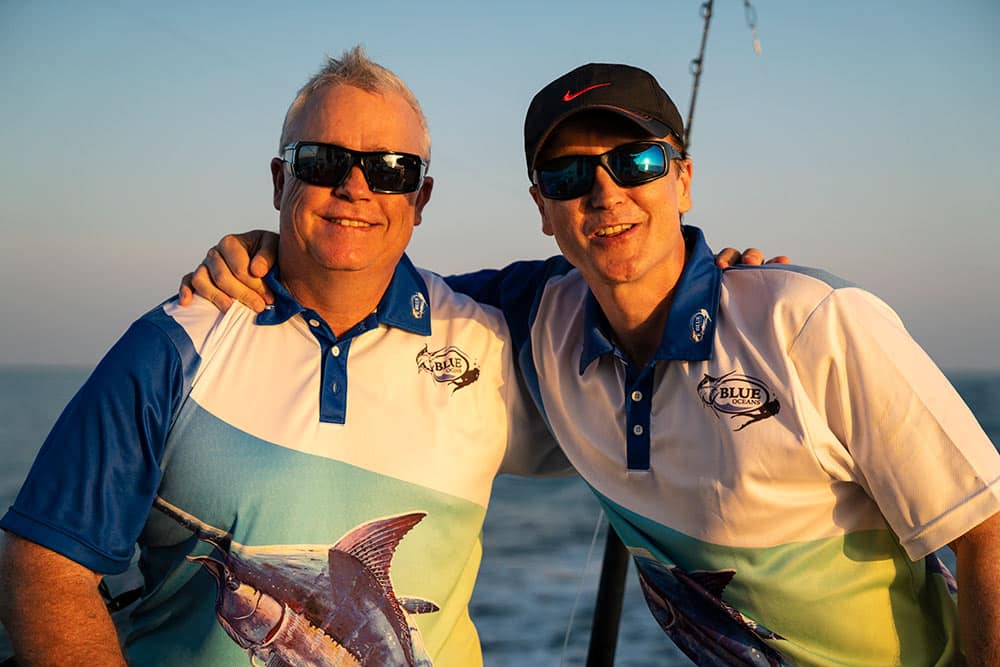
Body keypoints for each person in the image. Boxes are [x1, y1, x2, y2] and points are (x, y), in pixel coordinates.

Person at [191, 62, 1000, 665]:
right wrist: (275, 253)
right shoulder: (537, 319)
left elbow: (987, 531)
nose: (605, 193)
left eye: (636, 162)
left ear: (682, 178)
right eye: (569, 175)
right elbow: (369, 289)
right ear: (543, 210)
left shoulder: (812, 323)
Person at [0, 47, 574, 667]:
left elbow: (625, 295)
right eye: (324, 161)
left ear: (422, 197)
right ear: (281, 180)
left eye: (391, 169)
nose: (356, 188)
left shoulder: (490, 336)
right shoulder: (178, 342)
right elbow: (45, 564)